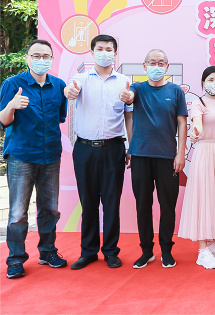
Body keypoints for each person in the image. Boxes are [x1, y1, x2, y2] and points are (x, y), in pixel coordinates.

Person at [64, 35, 133, 270]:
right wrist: (69, 91)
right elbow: (69, 90)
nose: (105, 53)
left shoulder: (124, 81)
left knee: (112, 202)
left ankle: (111, 251)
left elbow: (129, 117)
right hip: (84, 149)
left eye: (109, 49)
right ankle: (88, 251)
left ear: (115, 53)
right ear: (92, 53)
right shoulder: (81, 79)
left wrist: (131, 147)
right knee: (89, 202)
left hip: (114, 148)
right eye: (100, 49)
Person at [0, 40, 68, 279]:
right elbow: (4, 120)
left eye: (46, 56)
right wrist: (12, 105)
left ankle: (47, 252)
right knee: (18, 212)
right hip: (21, 156)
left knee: (50, 209)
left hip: (51, 156)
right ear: (27, 58)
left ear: (52, 59)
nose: (41, 60)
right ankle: (15, 259)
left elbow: (60, 117)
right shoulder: (12, 84)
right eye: (36, 56)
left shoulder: (59, 85)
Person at [119, 49, 187, 269]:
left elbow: (182, 123)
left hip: (167, 157)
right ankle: (146, 251)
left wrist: (180, 153)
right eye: (152, 62)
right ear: (144, 65)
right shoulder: (138, 88)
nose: (156, 66)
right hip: (140, 156)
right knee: (143, 205)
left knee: (167, 206)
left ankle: (166, 250)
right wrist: (126, 95)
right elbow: (129, 97)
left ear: (167, 67)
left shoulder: (175, 91)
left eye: (161, 63)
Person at [179, 67, 215, 270]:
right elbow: (197, 124)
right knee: (203, 199)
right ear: (203, 83)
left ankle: (210, 243)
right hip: (205, 152)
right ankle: (202, 251)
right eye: (211, 79)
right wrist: (196, 133)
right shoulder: (198, 103)